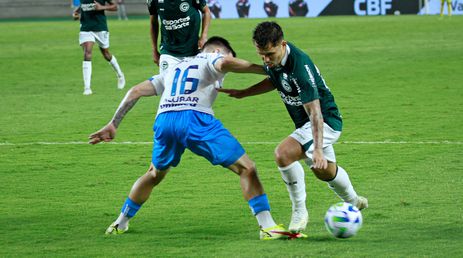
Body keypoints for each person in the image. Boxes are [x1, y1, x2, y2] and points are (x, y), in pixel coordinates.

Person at [89, 37, 304, 240]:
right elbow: (224, 63)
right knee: (246, 168)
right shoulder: (212, 57)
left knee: (154, 173)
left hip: (164, 120)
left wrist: (113, 124)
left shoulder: (174, 68)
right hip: (195, 119)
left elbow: (135, 90)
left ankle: (120, 222)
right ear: (218, 50)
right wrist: (269, 69)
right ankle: (267, 228)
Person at [219, 22, 368, 234]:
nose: (266, 60)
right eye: (261, 55)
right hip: (307, 123)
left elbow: (315, 112)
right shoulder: (277, 61)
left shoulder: (299, 68)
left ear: (283, 44)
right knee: (323, 170)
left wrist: (316, 149)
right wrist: (245, 93)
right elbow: (275, 80)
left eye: (269, 54)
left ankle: (299, 211)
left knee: (283, 153)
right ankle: (354, 201)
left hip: (324, 121)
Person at [74, 0, 125, 95]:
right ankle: (87, 88)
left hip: (100, 27)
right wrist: (76, 12)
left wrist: (102, 7)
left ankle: (120, 74)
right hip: (86, 28)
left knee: (106, 54)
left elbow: (115, 6)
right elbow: (83, 5)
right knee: (87, 53)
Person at [148, 0, 211, 75]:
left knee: (194, 84)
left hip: (193, 50)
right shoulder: (152, 1)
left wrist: (203, 36)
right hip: (168, 52)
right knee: (167, 84)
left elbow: (206, 11)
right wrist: (154, 50)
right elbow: (153, 22)